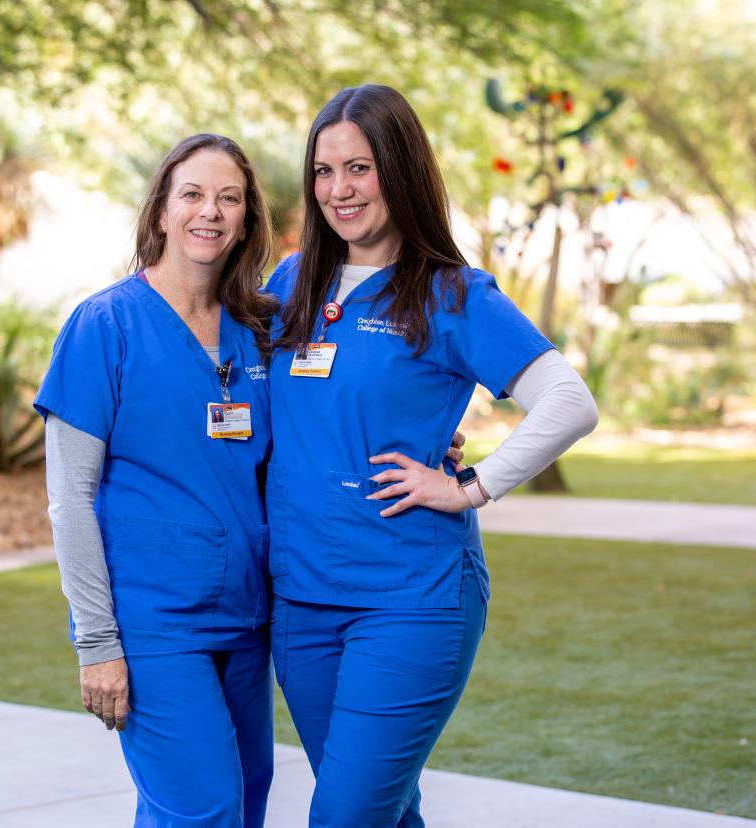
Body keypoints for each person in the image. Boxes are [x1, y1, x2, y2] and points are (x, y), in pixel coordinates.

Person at [264, 84, 600, 827]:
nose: (339, 190)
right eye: (324, 171)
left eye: (360, 168)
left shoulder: (452, 294)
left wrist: (472, 486)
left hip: (410, 598)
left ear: (401, 168)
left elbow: (570, 401)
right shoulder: (290, 283)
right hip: (302, 602)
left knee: (345, 818)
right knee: (385, 812)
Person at [34, 134, 278, 828]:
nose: (212, 212)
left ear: (246, 218)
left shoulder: (257, 330)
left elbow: (324, 426)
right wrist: (97, 643)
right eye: (194, 195)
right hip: (154, 625)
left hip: (247, 618)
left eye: (229, 198)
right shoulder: (103, 325)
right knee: (205, 808)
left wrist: (424, 435)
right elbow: (69, 499)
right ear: (163, 212)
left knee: (244, 798)